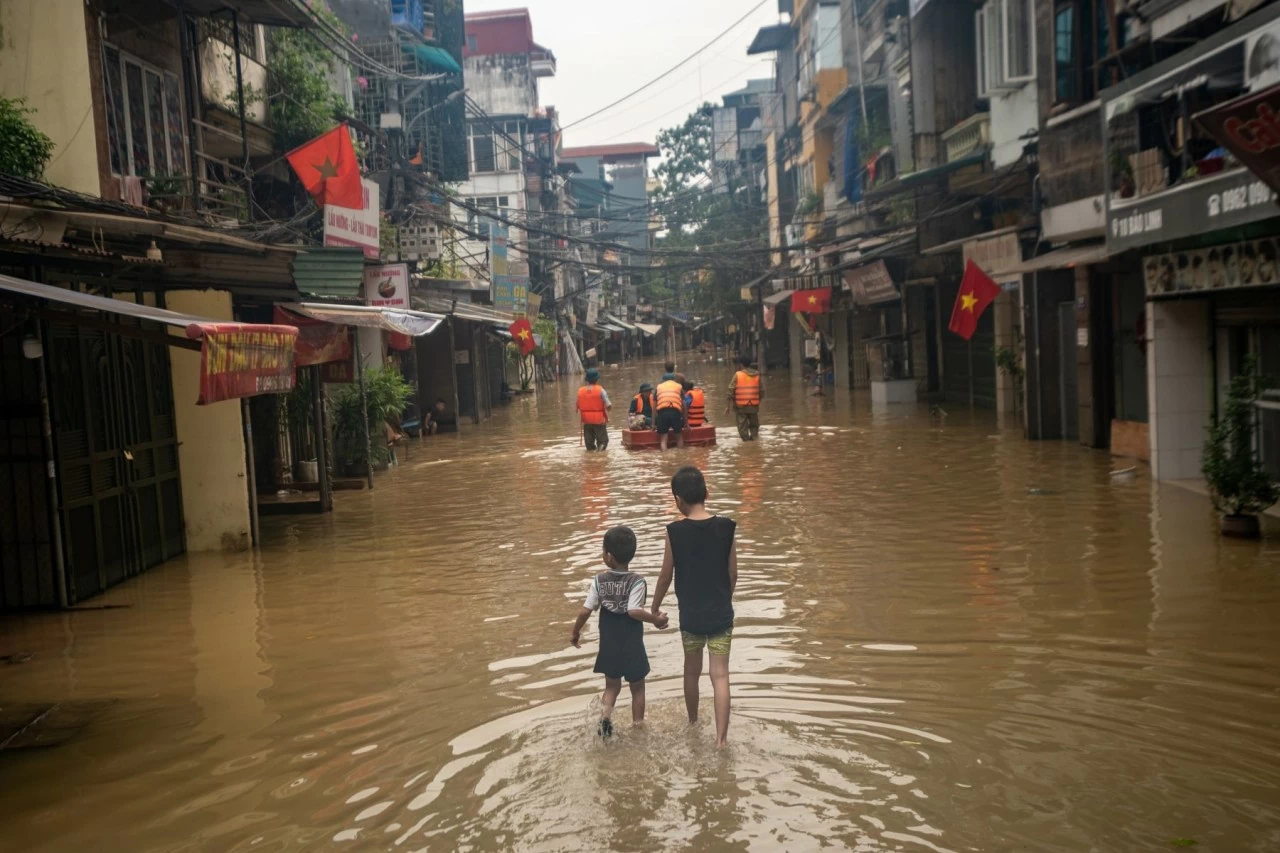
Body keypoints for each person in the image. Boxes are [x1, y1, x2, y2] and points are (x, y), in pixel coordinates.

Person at [651, 466, 737, 749]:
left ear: (678, 500)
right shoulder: (727, 527)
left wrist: (654, 607)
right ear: (707, 493)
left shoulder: (675, 532)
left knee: (691, 671)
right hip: (721, 615)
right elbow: (733, 573)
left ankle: (692, 724)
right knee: (720, 675)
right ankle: (722, 740)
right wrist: (725, 598)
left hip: (691, 616)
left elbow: (665, 576)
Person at [570, 526, 669, 738]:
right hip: (631, 641)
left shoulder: (599, 581)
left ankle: (605, 719)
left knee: (612, 687)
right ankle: (638, 728)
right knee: (638, 688)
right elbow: (634, 611)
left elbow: (585, 610)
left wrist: (576, 631)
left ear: (608, 556)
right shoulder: (637, 581)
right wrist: (656, 619)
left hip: (609, 641)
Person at [727, 355, 762, 441]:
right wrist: (758, 401)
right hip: (753, 406)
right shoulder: (757, 375)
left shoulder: (737, 375)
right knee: (754, 425)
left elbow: (730, 390)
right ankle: (753, 442)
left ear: (741, 364)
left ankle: (746, 443)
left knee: (742, 426)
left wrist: (728, 405)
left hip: (741, 406)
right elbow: (761, 391)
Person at [576, 368, 612, 451]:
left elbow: (578, 406)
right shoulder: (601, 390)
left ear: (586, 380)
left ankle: (591, 459)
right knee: (602, 441)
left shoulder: (580, 391)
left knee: (589, 444)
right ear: (597, 379)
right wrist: (608, 413)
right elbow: (608, 405)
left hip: (586, 421)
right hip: (599, 420)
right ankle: (600, 455)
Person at [654, 371, 686, 451]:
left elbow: (654, 407)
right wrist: (686, 422)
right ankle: (680, 455)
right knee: (679, 437)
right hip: (675, 412)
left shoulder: (658, 387)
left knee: (663, 439)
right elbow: (684, 405)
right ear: (674, 380)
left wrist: (653, 424)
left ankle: (665, 457)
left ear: (663, 380)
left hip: (662, 413)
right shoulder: (678, 387)